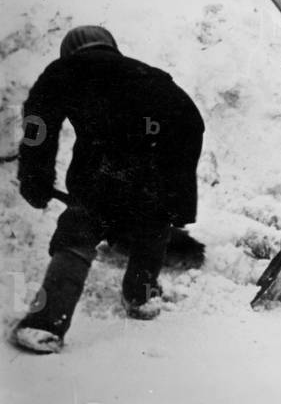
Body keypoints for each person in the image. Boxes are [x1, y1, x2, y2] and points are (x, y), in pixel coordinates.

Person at [12, 26, 204, 354]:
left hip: (100, 171)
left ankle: (43, 325)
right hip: (155, 165)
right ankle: (141, 297)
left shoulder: (64, 70)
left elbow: (38, 127)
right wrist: (176, 200)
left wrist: (35, 180)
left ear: (69, 51)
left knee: (78, 234)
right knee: (152, 225)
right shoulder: (149, 74)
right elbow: (191, 122)